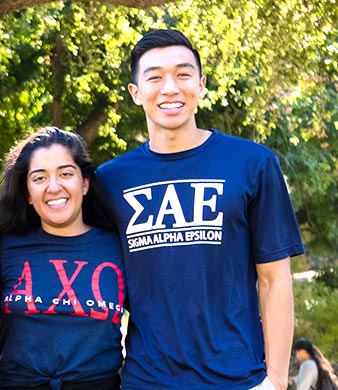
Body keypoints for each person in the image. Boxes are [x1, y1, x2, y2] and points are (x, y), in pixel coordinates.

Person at [95, 29, 303, 389]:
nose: (170, 88)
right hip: (148, 381)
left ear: (202, 84)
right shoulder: (110, 180)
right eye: (155, 77)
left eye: (183, 74)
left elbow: (275, 279)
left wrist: (277, 381)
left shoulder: (252, 164)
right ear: (135, 92)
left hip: (241, 379)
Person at [0, 127, 124, 389]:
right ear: (26, 192)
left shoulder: (117, 246)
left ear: (84, 183)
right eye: (39, 178)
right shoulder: (4, 247)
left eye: (65, 174)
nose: (54, 187)